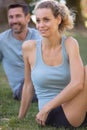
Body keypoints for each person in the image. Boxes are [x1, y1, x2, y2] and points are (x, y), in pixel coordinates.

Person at [18, 0, 87, 128]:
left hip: (73, 106)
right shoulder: (29, 47)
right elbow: (28, 85)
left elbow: (78, 83)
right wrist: (20, 117)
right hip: (51, 114)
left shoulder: (70, 43)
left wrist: (46, 108)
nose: (41, 25)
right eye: (38, 20)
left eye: (46, 20)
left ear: (58, 19)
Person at [0, 3, 41, 101]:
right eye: (11, 17)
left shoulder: (39, 37)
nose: (14, 21)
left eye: (18, 16)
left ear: (27, 18)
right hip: (21, 88)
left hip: (41, 80)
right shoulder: (2, 40)